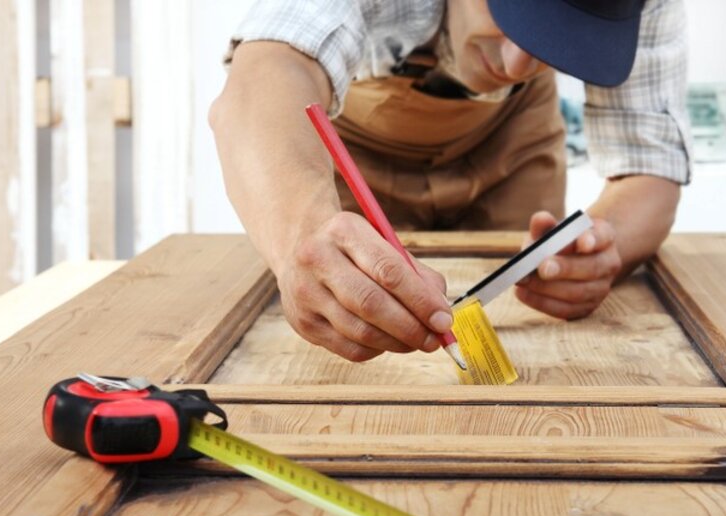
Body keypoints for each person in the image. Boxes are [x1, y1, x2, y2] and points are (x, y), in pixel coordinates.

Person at [210, 0, 690, 363]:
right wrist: (300, 231)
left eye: (553, 41)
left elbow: (650, 166)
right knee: (355, 304)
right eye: (514, 16)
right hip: (358, 151)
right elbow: (265, 76)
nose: (516, 66)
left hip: (512, 141)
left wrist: (605, 251)